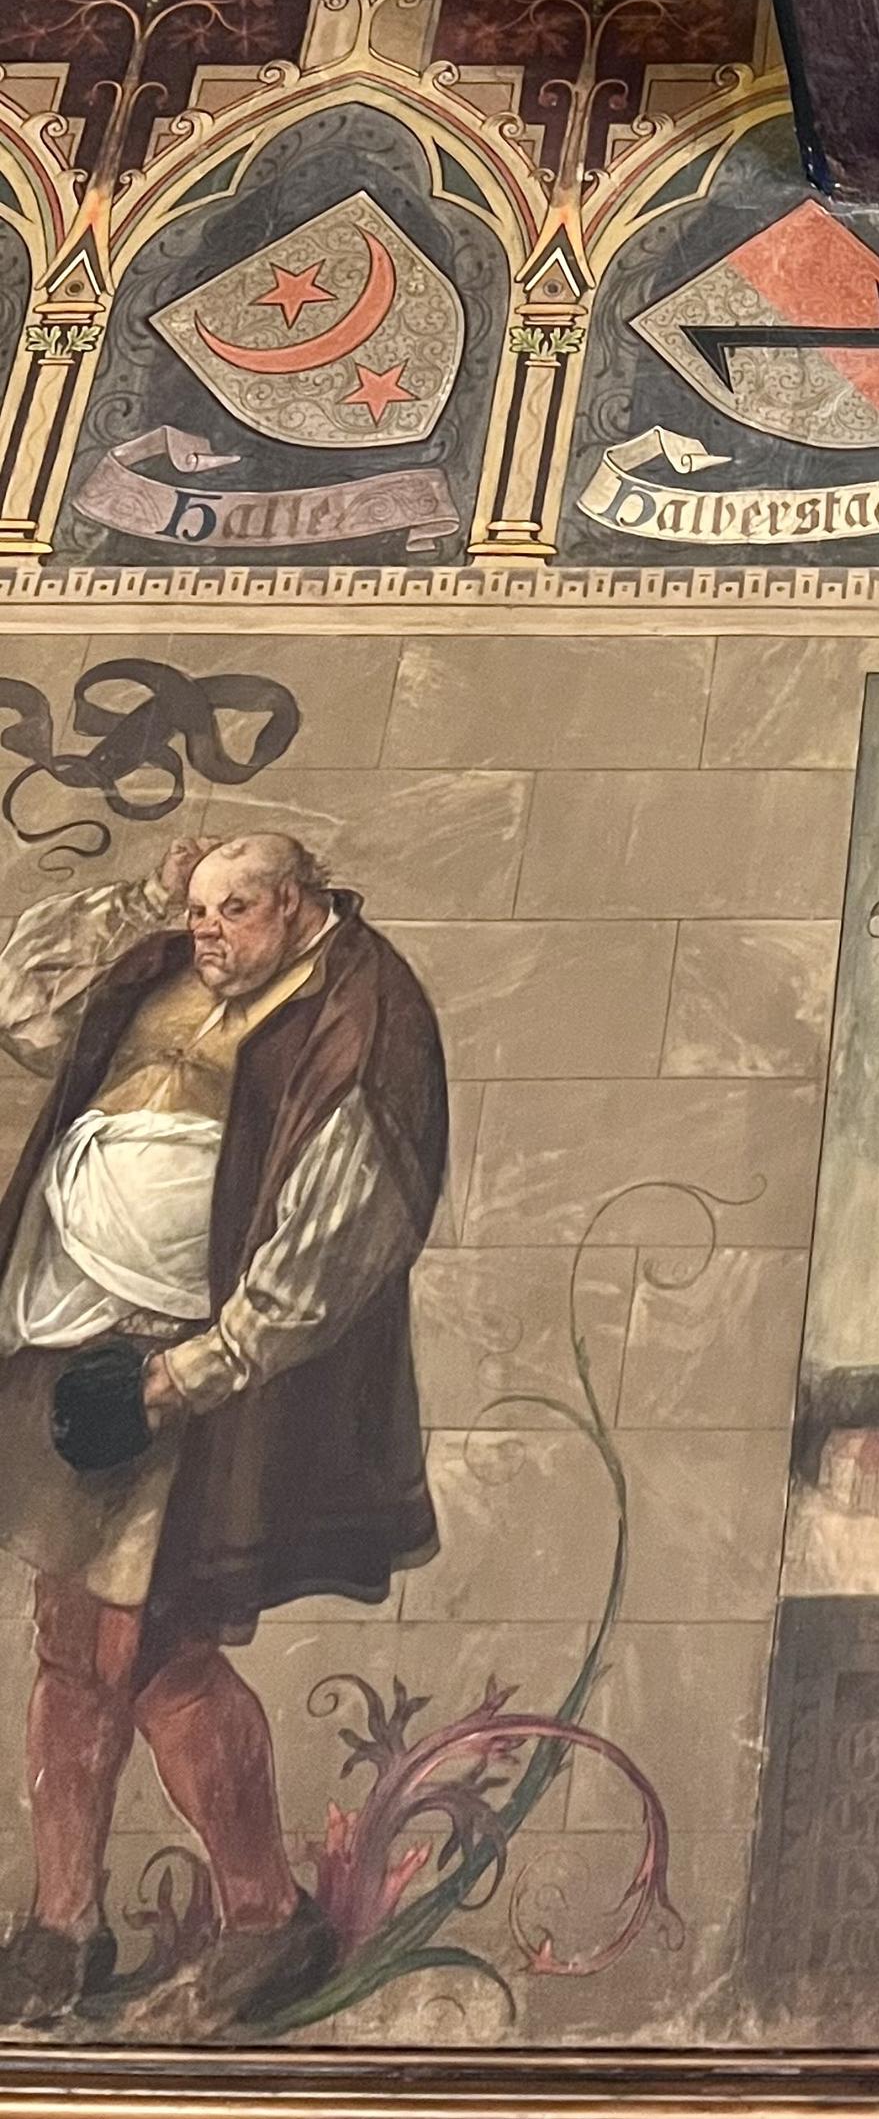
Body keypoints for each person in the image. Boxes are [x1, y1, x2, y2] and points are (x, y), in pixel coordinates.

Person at [0, 832, 447, 2034]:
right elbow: (20, 1006)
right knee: (71, 1635)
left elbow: (325, 1258)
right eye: (197, 909)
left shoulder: (361, 1019)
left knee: (151, 1648)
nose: (206, 933)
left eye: (232, 911)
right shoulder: (167, 959)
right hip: (66, 1332)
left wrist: (171, 1381)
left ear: (296, 904)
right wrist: (142, 899)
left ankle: (261, 1918)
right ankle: (63, 1926)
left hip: (182, 1372)